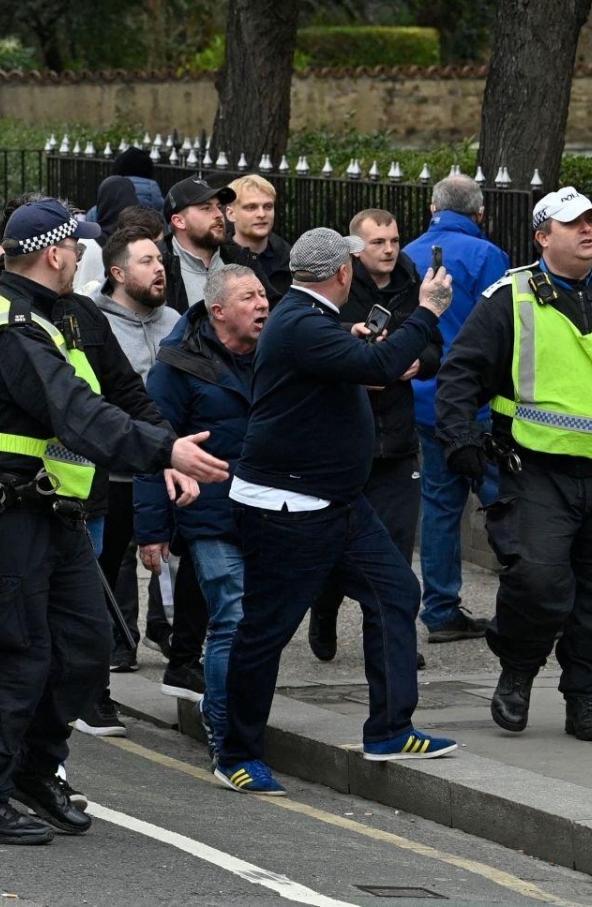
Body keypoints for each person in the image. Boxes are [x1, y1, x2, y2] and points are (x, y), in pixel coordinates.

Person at [0, 199, 228, 843]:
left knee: (81, 652)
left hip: (57, 511)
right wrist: (164, 452)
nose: (84, 255)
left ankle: (34, 771)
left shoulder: (69, 314)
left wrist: (168, 449)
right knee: (9, 656)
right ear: (54, 254)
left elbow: (124, 392)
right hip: (2, 514)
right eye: (78, 246)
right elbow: (76, 412)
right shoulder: (8, 330)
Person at [217, 228, 457, 796]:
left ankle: (390, 729)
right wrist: (426, 311)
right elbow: (383, 363)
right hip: (288, 508)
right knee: (265, 632)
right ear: (344, 272)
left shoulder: (310, 318)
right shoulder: (300, 322)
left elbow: (362, 364)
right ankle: (237, 753)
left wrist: (356, 342)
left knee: (396, 591)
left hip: (338, 502)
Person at [436, 186, 592, 742]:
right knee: (538, 584)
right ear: (542, 236)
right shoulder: (509, 298)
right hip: (536, 471)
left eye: (591, 221)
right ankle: (517, 672)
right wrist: (462, 436)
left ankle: (587, 699)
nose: (587, 230)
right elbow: (460, 374)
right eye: (571, 224)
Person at [136, 263, 269, 767]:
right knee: (230, 615)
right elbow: (153, 445)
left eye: (263, 295)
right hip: (208, 512)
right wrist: (151, 529)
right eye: (249, 298)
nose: (262, 304)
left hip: (269, 511)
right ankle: (224, 729)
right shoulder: (177, 365)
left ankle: (239, 713)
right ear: (218, 312)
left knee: (259, 621)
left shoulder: (277, 351)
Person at [308, 209, 438, 664]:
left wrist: (421, 361)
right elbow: (317, 340)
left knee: (397, 548)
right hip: (348, 438)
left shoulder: (412, 281)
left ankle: (388, 637)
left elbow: (435, 344)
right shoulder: (341, 287)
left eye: (394, 240)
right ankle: (323, 609)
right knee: (332, 544)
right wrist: (355, 352)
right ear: (356, 248)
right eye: (378, 242)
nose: (389, 249)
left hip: (399, 441)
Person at [403, 174, 512, 644]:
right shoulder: (488, 257)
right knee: (507, 500)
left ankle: (441, 608)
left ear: (432, 207)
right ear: (480, 213)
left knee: (440, 506)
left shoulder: (408, 253)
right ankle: (525, 600)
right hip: (476, 402)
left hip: (425, 398)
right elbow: (501, 330)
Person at [92, 227, 191, 702]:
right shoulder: (95, 324)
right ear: (117, 273)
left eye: (161, 260)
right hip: (111, 474)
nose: (160, 269)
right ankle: (99, 678)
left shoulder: (176, 320)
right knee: (104, 571)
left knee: (176, 560)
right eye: (147, 261)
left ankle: (175, 644)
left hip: (168, 466)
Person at [160, 176, 245, 312]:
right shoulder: (158, 267)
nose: (219, 214)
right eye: (206, 208)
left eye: (218, 207)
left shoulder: (241, 259)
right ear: (179, 221)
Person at [224, 174, 292, 300]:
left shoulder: (291, 260)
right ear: (231, 213)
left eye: (268, 207)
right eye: (251, 207)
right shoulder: (217, 259)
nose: (261, 214)